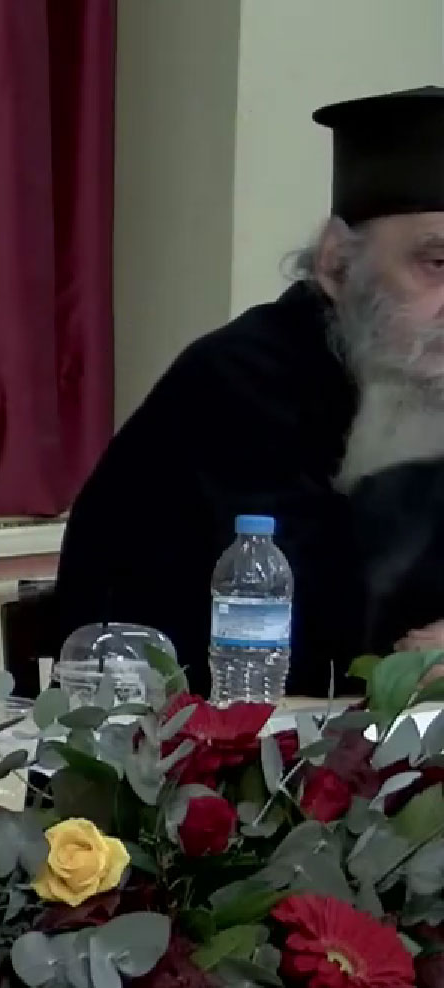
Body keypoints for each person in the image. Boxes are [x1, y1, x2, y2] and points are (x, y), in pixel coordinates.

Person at [54, 86, 444, 696]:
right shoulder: (241, 381)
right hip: (167, 741)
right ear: (338, 265)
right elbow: (318, 641)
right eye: (437, 265)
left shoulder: (424, 375)